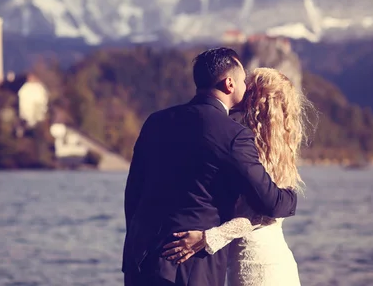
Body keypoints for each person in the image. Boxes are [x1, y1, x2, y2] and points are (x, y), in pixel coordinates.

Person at [122, 48, 298, 286]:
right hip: (190, 266)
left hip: (140, 263)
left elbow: (133, 192)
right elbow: (268, 201)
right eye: (243, 79)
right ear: (229, 84)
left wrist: (135, 242)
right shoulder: (232, 135)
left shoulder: (156, 121)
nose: (246, 86)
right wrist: (291, 197)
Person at [162, 67, 312, 286]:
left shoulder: (245, 146)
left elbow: (261, 215)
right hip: (272, 259)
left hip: (257, 264)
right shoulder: (277, 148)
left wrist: (209, 238)